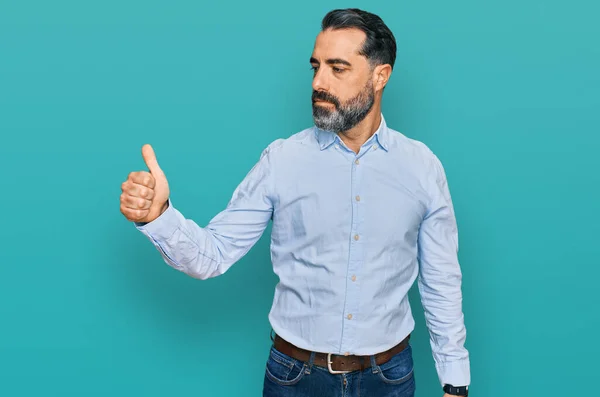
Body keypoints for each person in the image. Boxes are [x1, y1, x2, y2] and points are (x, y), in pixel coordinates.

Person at [119, 8, 470, 397]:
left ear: (380, 75)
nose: (319, 82)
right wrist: (159, 217)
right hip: (295, 378)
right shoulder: (282, 160)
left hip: (388, 378)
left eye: (338, 69)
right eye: (315, 67)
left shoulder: (422, 168)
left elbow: (441, 281)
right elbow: (212, 255)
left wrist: (455, 381)